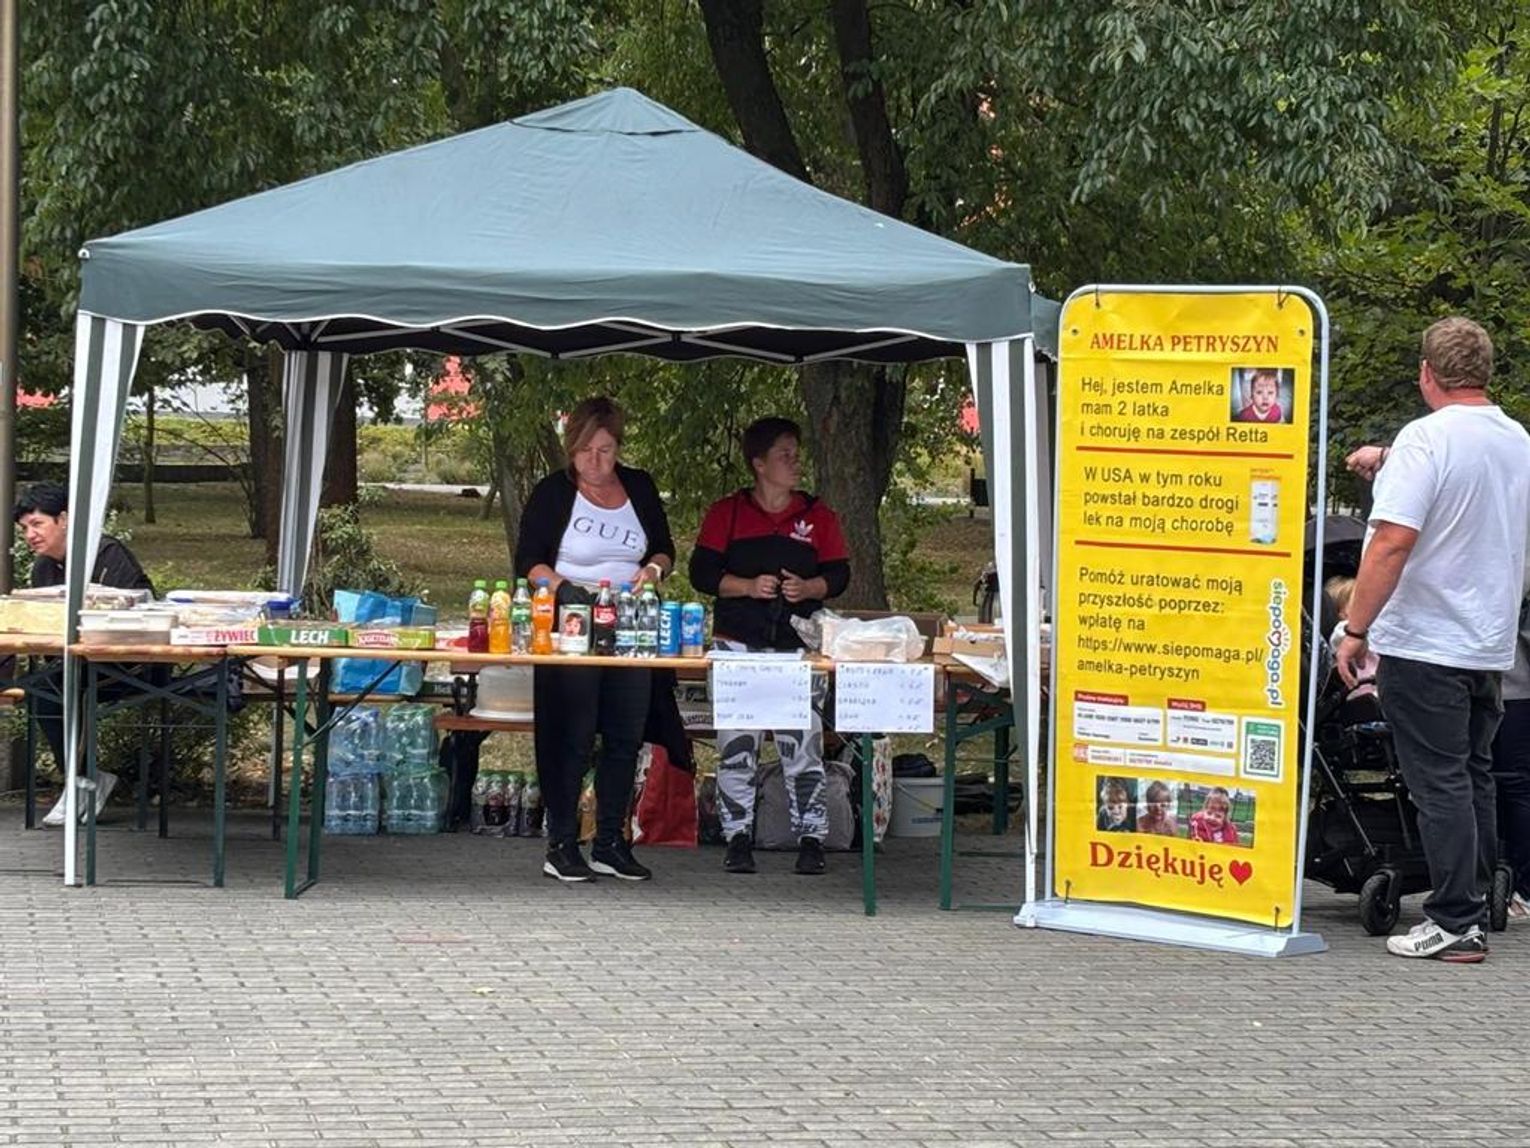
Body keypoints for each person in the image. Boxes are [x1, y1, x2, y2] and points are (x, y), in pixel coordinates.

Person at [1337, 316, 1530, 962]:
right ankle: (1475, 902)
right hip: (1487, 641)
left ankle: (1453, 921)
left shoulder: (1424, 440)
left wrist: (1355, 628)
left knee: (1438, 782)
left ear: (1427, 373)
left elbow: (1392, 541)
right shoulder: (1516, 440)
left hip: (1426, 641)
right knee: (1473, 774)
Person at [515, 397, 675, 883]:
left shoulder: (639, 487)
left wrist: (653, 570)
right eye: (586, 451)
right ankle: (563, 842)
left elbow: (664, 548)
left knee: (625, 733)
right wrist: (565, 589)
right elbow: (528, 561)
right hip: (573, 623)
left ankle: (610, 841)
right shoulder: (553, 492)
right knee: (573, 733)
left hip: (629, 623)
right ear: (572, 450)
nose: (595, 461)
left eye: (605, 451)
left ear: (618, 448)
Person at [689, 417, 850, 876]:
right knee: (737, 748)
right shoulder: (728, 513)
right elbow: (702, 573)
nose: (795, 463)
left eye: (797, 454)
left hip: (797, 649)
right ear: (759, 464)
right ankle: (737, 836)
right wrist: (746, 586)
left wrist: (810, 586)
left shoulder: (818, 516)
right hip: (737, 646)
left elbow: (839, 573)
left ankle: (812, 838)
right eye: (785, 455)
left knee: (802, 748)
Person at [12, 481, 155, 826]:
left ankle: (81, 780)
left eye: (37, 524)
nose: (30, 535)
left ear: (64, 520)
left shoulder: (107, 554)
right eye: (24, 529)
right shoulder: (43, 568)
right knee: (39, 689)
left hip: (132, 663)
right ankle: (82, 778)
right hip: (76, 664)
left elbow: (136, 613)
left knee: (51, 687)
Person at [1493, 598, 1530, 921]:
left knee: (1512, 785)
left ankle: (1522, 887)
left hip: (1510, 686)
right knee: (1509, 785)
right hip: (1507, 685)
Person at [1324, 576, 1379, 705]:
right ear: (1342, 612)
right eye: (1359, 602)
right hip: (1360, 694)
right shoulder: (1343, 630)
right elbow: (1342, 637)